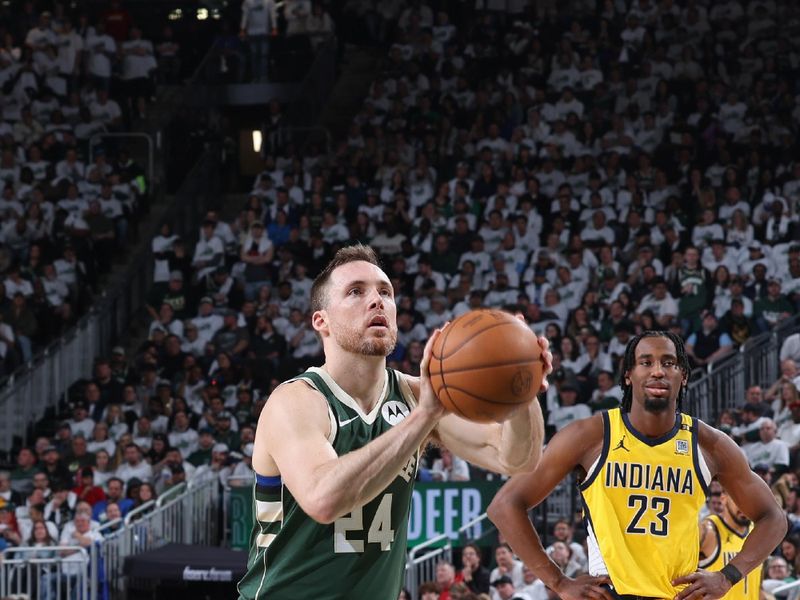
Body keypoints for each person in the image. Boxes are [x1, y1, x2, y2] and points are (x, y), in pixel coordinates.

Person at [237, 245, 550, 599]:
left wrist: (520, 387)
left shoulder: (416, 395)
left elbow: (516, 459)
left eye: (385, 292)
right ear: (321, 321)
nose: (377, 301)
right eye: (356, 291)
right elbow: (323, 499)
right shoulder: (295, 401)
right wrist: (425, 416)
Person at [488, 330, 786, 600]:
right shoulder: (591, 435)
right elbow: (505, 505)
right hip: (613, 593)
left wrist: (727, 577)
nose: (658, 370)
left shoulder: (709, 444)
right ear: (628, 374)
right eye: (646, 362)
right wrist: (559, 581)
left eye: (669, 363)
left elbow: (773, 517)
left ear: (683, 375)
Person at [698, 488, 760, 599]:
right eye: (739, 500)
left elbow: (756, 586)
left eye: (751, 500)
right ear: (723, 498)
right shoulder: (707, 531)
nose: (745, 506)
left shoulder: (758, 533)